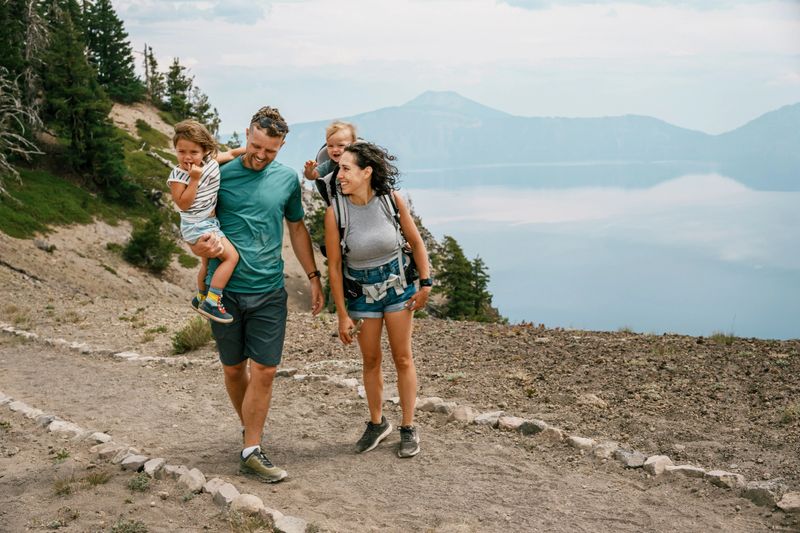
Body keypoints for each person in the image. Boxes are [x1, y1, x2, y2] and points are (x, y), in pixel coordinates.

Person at [191, 106, 325, 483]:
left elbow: (297, 229)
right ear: (247, 133)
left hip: (268, 290)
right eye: (256, 145)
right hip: (225, 291)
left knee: (264, 370)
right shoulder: (221, 175)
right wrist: (198, 256)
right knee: (234, 368)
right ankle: (251, 432)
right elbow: (198, 220)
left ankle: (251, 448)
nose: (261, 155)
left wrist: (314, 276)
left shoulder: (286, 180)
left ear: (281, 146)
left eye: (271, 150)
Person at [324, 142, 432, 458]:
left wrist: (425, 283)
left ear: (366, 172)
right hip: (361, 295)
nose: (339, 175)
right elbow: (333, 267)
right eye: (339, 168)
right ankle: (376, 423)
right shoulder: (336, 213)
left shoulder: (391, 201)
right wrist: (341, 314)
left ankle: (409, 427)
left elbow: (415, 241)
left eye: (346, 169)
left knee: (403, 358)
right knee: (370, 360)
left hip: (399, 289)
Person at [167, 120, 243, 323]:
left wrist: (252, 149)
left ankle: (200, 296)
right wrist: (194, 179)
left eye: (193, 152)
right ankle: (212, 301)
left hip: (209, 222)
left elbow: (233, 154)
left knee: (207, 264)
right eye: (181, 151)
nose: (187, 157)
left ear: (205, 151)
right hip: (196, 225)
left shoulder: (211, 162)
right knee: (231, 258)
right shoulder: (178, 176)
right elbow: (183, 204)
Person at [302, 120, 357, 205]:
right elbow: (313, 175)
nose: (335, 149)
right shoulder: (329, 165)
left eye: (341, 145)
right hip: (339, 203)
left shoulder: (359, 162)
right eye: (330, 146)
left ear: (353, 145)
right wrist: (309, 170)